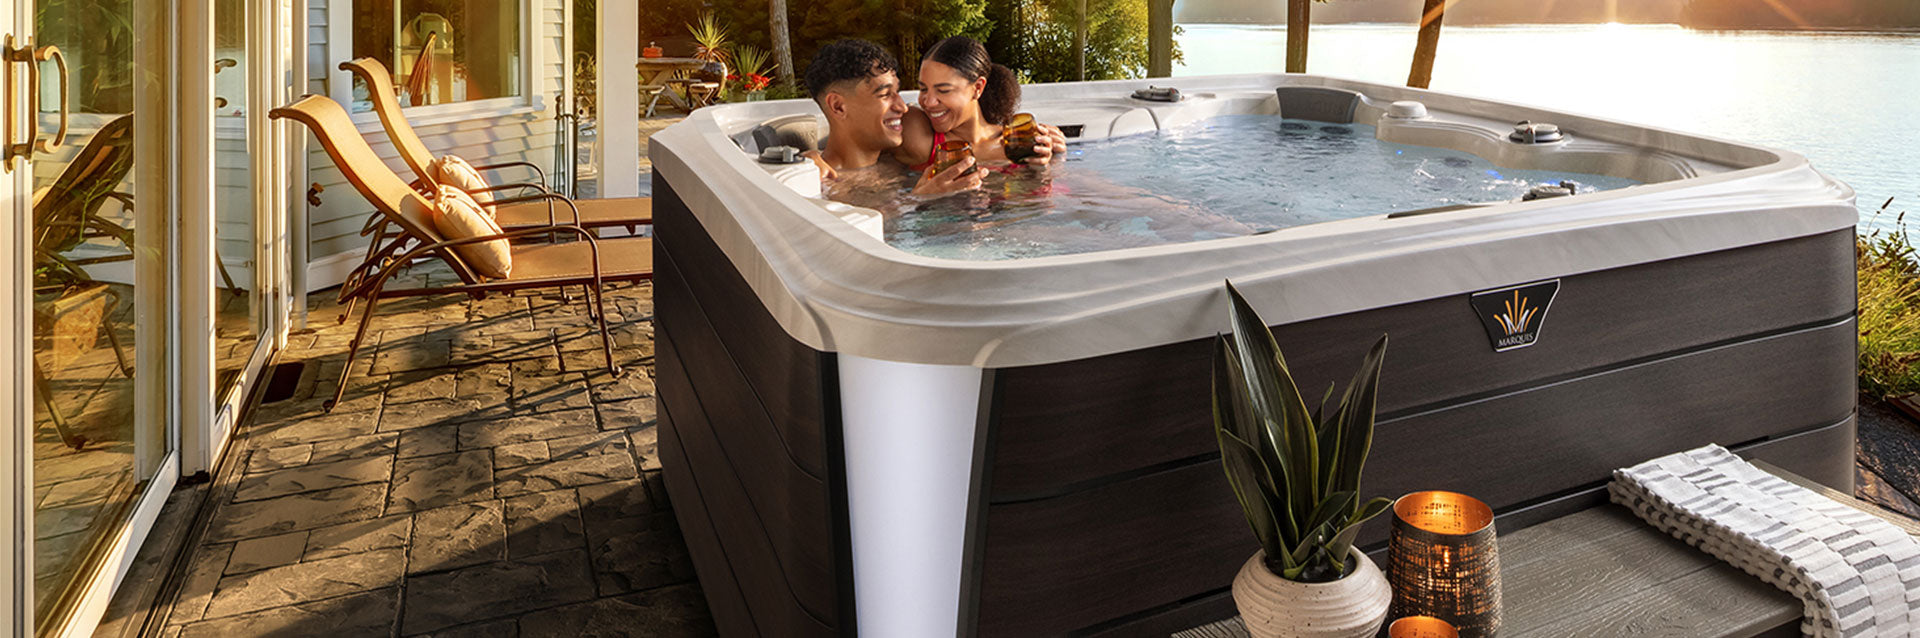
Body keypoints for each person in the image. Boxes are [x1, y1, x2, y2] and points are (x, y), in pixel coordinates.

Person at [804, 39, 980, 195]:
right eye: (885, 94)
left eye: (897, 92)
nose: (902, 107)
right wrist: (923, 200)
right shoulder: (822, 185)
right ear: (838, 106)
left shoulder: (895, 164)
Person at [895, 36, 1069, 171]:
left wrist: (1048, 164)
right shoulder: (918, 135)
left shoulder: (1017, 143)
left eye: (944, 90)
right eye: (923, 89)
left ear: (977, 88)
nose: (929, 102)